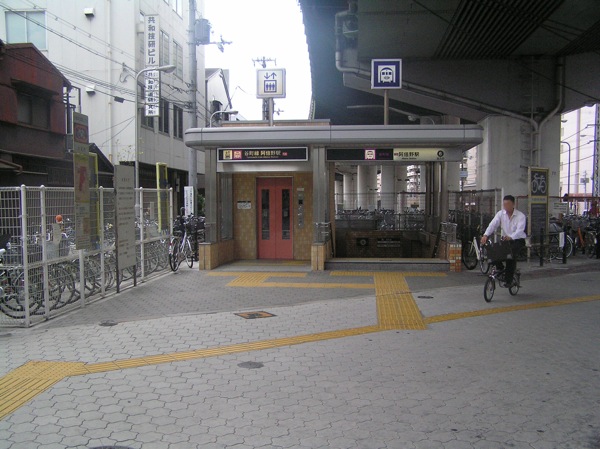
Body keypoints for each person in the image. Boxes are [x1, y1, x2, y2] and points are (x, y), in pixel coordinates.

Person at [480, 195, 527, 286]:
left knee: (510, 256)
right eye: (504, 204)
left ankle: (509, 280)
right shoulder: (501, 214)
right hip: (506, 240)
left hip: (518, 239)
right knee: (494, 252)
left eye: (508, 204)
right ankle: (500, 268)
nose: (505, 207)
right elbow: (493, 225)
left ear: (513, 204)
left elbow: (520, 231)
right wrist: (486, 235)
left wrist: (511, 237)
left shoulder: (520, 216)